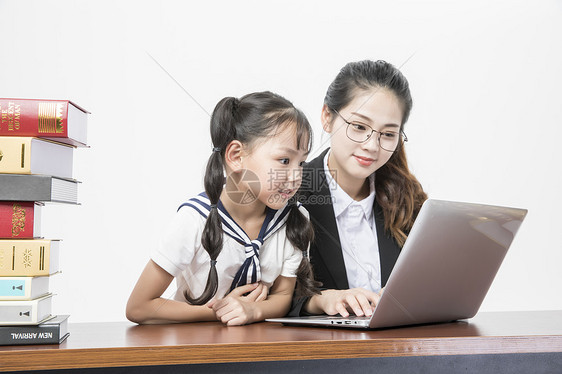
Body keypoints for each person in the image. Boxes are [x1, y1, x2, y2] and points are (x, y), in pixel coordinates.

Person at [126, 91, 318, 326]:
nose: (295, 176)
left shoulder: (295, 218)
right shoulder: (194, 219)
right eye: (285, 161)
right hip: (193, 346)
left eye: (302, 163)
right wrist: (221, 311)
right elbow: (139, 306)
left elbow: (282, 296)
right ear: (236, 156)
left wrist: (253, 311)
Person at [290, 60, 427, 317]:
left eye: (387, 134)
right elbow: (267, 291)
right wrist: (321, 299)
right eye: (359, 127)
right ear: (327, 117)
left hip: (399, 346)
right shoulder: (290, 191)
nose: (372, 145)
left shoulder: (408, 199)